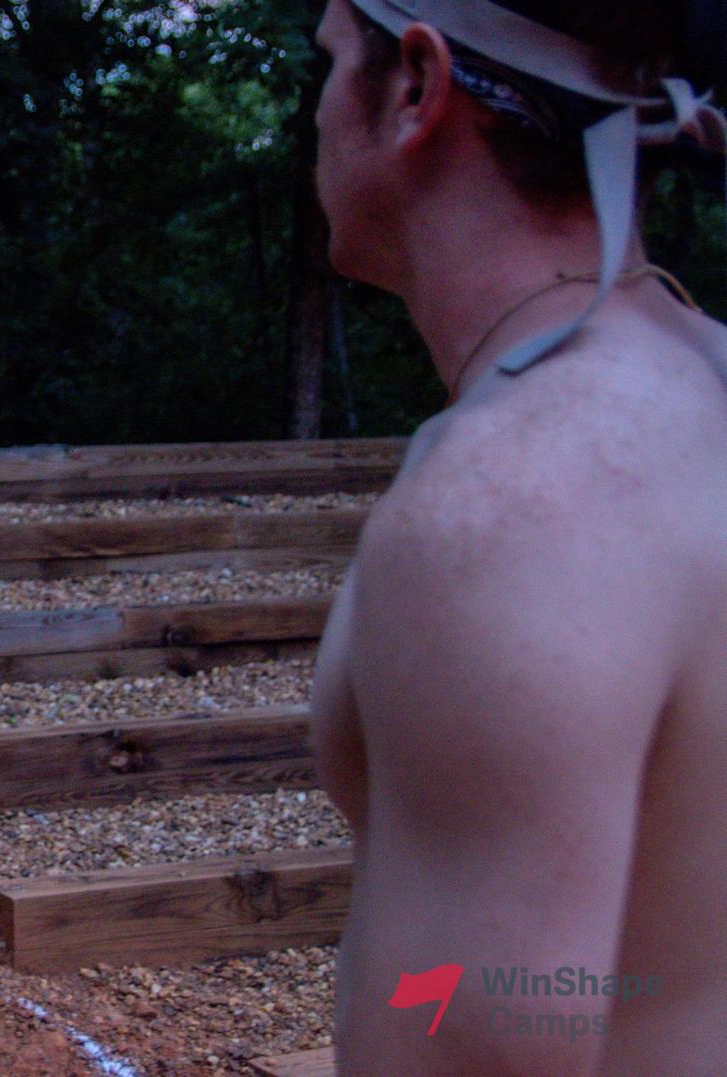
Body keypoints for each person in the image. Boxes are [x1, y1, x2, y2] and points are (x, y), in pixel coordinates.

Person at [307, 0, 726, 1071]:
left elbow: (471, 1038)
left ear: (416, 85)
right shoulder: (693, 387)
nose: (316, 111)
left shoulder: (511, 503)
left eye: (331, 61)